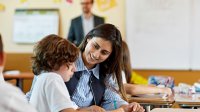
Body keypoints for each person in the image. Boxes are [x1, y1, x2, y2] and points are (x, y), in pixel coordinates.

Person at [29, 34, 102, 112]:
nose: (74, 69)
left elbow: (71, 108)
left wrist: (89, 110)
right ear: (52, 63)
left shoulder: (44, 77)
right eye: (70, 64)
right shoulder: (53, 78)